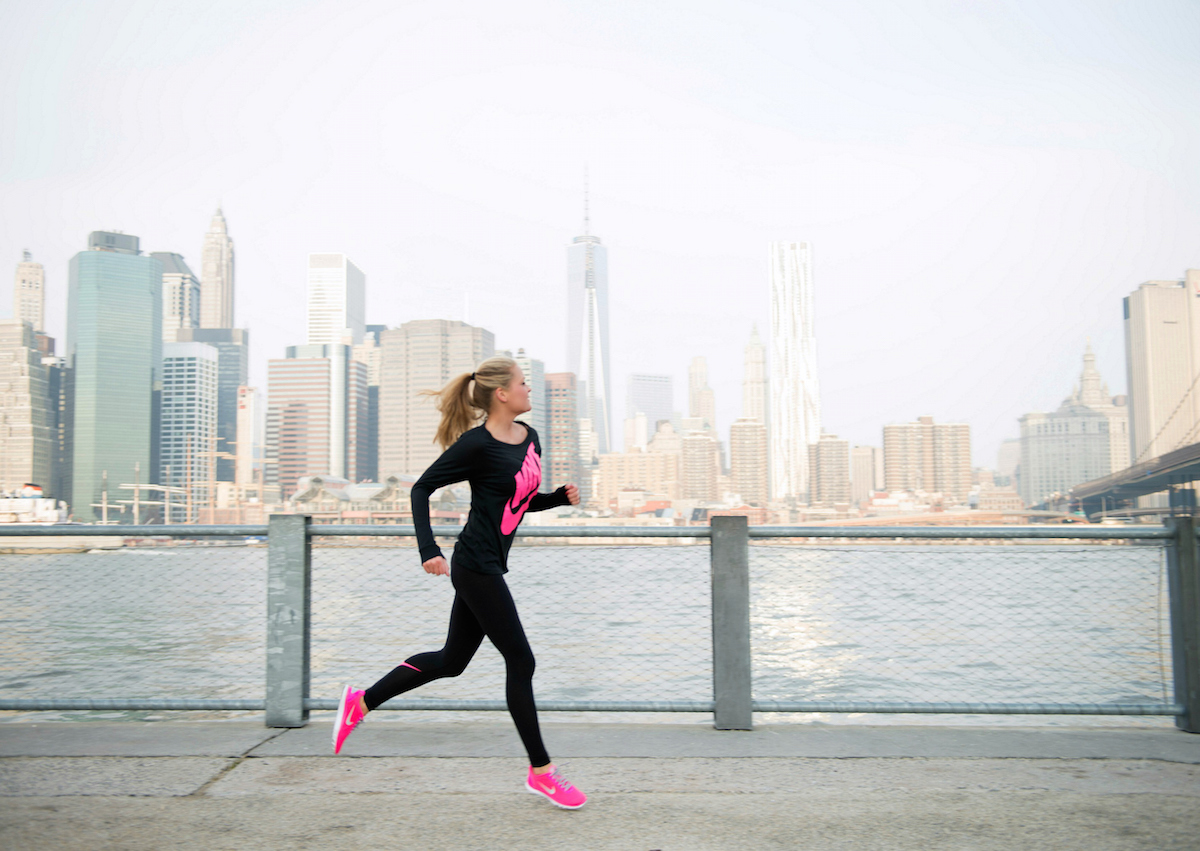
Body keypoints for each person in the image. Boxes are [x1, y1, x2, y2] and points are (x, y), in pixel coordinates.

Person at [332, 355, 587, 810]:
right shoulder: (476, 444)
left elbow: (518, 503)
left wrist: (556, 500)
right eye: (523, 384)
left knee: (452, 661)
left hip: (490, 563)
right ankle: (542, 772)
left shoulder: (531, 440)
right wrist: (428, 549)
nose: (530, 390)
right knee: (521, 661)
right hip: (474, 565)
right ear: (502, 394)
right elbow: (420, 489)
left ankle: (360, 702)